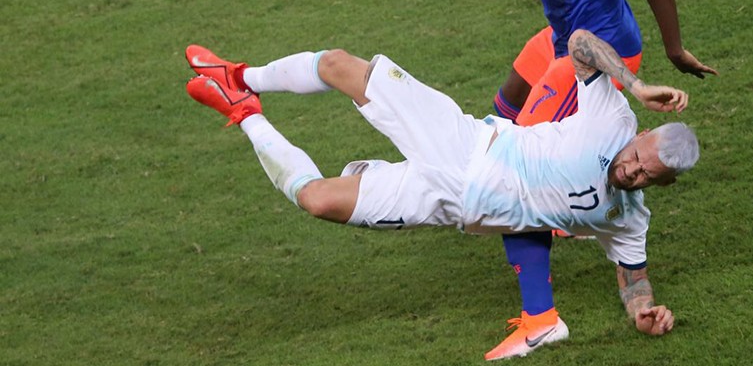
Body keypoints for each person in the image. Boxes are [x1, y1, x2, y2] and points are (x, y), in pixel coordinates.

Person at [365, 0, 718, 358]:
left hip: (595, 53)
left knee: (518, 170)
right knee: (502, 111)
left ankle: (540, 314)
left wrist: (674, 50)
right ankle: (496, 189)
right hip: (560, 39)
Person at [184, 29, 698, 360]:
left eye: (644, 175)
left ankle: (242, 110)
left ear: (662, 184)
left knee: (317, 200)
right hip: (463, 145)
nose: (630, 170)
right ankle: (239, 75)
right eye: (637, 156)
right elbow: (581, 42)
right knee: (340, 64)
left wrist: (643, 312)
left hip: (446, 204)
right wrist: (635, 85)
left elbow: (634, 278)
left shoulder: (627, 218)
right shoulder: (613, 118)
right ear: (640, 135)